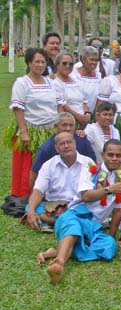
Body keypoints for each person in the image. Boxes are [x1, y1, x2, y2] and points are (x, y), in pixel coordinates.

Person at [36, 140, 121, 284]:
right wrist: (109, 190)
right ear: (102, 155)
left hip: (95, 226)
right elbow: (86, 196)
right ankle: (59, 263)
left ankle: (55, 251)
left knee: (108, 247)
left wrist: (112, 237)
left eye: (118, 155)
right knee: (74, 229)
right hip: (75, 214)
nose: (114, 158)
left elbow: (119, 209)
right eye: (110, 154)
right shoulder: (90, 169)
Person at [6, 48, 61, 199]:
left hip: (50, 130)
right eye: (36, 61)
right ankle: (25, 195)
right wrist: (24, 132)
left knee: (48, 164)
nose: (40, 65)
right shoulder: (22, 83)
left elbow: (58, 106)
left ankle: (46, 194)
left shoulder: (51, 83)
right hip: (31, 129)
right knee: (28, 166)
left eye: (43, 62)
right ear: (29, 63)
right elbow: (18, 109)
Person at [25, 132, 94, 231]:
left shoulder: (88, 162)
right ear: (56, 148)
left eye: (69, 142)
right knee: (30, 207)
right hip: (53, 207)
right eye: (62, 144)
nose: (66, 146)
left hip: (77, 206)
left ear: (75, 144)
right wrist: (31, 211)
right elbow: (38, 190)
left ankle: (51, 220)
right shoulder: (48, 165)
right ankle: (71, 223)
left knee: (88, 212)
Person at [31, 112, 96, 190]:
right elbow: (34, 173)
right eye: (64, 125)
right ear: (56, 127)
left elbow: (93, 164)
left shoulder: (82, 140)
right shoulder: (46, 148)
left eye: (71, 125)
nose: (68, 129)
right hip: (55, 193)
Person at [54, 52, 90, 129]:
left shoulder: (77, 81)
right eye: (64, 63)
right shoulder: (54, 82)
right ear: (57, 65)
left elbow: (84, 102)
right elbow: (62, 105)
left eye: (71, 64)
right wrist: (79, 117)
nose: (68, 66)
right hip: (68, 123)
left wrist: (87, 114)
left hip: (83, 122)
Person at [71, 46, 102, 112]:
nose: (94, 62)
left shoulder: (98, 76)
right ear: (83, 60)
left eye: (96, 60)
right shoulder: (74, 74)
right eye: (91, 59)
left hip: (91, 115)